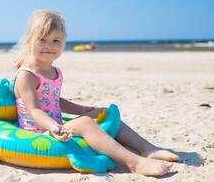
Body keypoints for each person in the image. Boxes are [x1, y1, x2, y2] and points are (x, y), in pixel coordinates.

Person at [13, 10, 180, 176]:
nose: (49, 45)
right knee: (85, 123)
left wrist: (81, 109)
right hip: (39, 131)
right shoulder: (27, 75)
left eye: (56, 40)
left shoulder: (55, 71)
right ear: (29, 41)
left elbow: (54, 100)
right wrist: (53, 126)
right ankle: (135, 163)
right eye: (42, 39)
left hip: (56, 125)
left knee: (105, 116)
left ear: (63, 44)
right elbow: (34, 109)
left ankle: (148, 149)